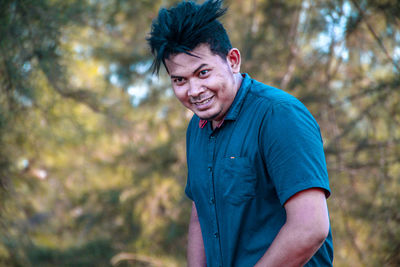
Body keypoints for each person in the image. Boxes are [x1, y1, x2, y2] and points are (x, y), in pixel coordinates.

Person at [147, 0, 333, 266]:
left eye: (203, 72)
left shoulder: (279, 115)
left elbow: (310, 228)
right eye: (180, 80)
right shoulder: (196, 129)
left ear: (232, 61)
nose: (194, 90)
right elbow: (201, 212)